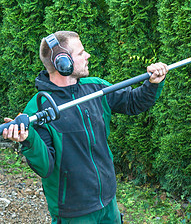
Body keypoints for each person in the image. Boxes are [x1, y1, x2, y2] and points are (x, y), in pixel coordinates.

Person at [2, 31, 168, 223]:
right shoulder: (38, 109)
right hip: (74, 211)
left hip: (108, 202)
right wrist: (28, 139)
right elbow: (45, 166)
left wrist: (153, 84)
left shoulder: (96, 88)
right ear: (62, 63)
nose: (87, 55)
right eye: (81, 53)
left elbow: (132, 102)